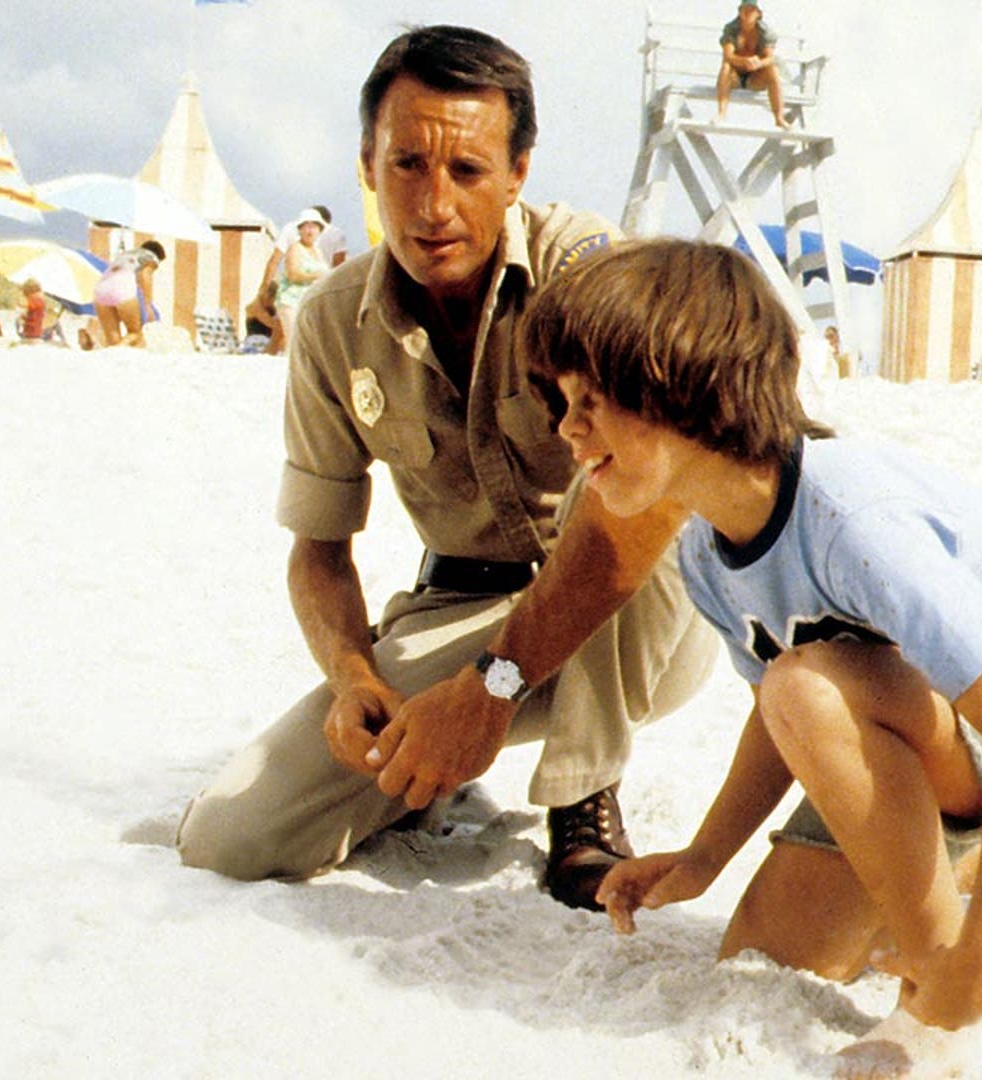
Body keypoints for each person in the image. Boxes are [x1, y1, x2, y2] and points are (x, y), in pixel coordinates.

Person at [517, 239, 982, 1074]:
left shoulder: (852, 520)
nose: (567, 428)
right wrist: (705, 859)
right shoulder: (704, 551)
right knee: (766, 955)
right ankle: (958, 876)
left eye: (590, 399)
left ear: (681, 384)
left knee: (807, 684)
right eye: (563, 402)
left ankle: (936, 987)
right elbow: (776, 719)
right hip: (919, 722)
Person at [175, 25, 717, 911]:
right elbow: (318, 550)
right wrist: (356, 682)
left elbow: (650, 506)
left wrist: (492, 691)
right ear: (366, 163)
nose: (433, 206)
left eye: (466, 172)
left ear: (518, 175)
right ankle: (432, 763)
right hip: (465, 610)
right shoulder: (329, 324)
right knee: (232, 836)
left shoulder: (584, 274)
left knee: (627, 484)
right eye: (407, 166)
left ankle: (580, 794)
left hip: (638, 623)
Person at [716, 3, 789, 128]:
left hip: (755, 78)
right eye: (744, 10)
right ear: (739, 12)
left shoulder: (765, 32)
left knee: (772, 70)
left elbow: (770, 58)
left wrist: (758, 63)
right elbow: (728, 56)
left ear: (758, 14)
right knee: (726, 66)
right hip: (735, 76)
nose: (747, 13)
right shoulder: (731, 29)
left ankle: (779, 118)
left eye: (751, 10)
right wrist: (744, 61)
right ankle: (721, 113)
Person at [92, 239, 165, 348]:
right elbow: (145, 275)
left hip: (101, 288)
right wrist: (147, 305)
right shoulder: (151, 257)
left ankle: (113, 351)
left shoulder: (125, 255)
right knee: (135, 333)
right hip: (121, 286)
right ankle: (118, 349)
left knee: (112, 338)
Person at [272, 208, 330, 331]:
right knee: (293, 341)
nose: (310, 231)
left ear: (319, 230)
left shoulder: (318, 251)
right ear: (300, 229)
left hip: (308, 302)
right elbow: (293, 275)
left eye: (314, 226)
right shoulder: (295, 248)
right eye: (306, 226)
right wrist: (317, 275)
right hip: (291, 302)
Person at [241, 278, 282, 355]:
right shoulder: (255, 307)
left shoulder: (273, 307)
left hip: (270, 341)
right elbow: (273, 324)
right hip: (255, 342)